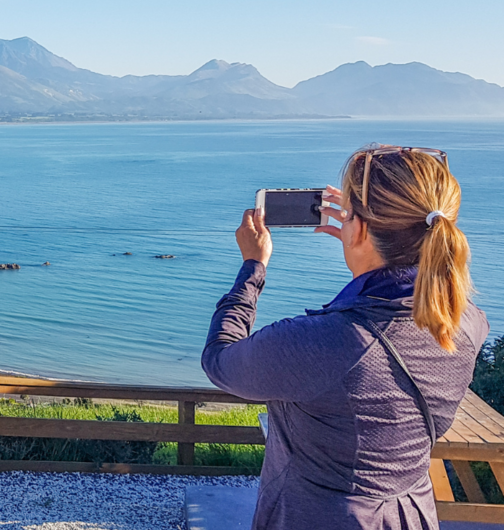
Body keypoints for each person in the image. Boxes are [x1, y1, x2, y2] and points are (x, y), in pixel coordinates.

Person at [201, 144, 489, 530]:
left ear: (362, 228)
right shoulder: (466, 323)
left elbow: (221, 360)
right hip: (411, 514)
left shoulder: (324, 342)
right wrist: (368, 250)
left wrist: (253, 267)